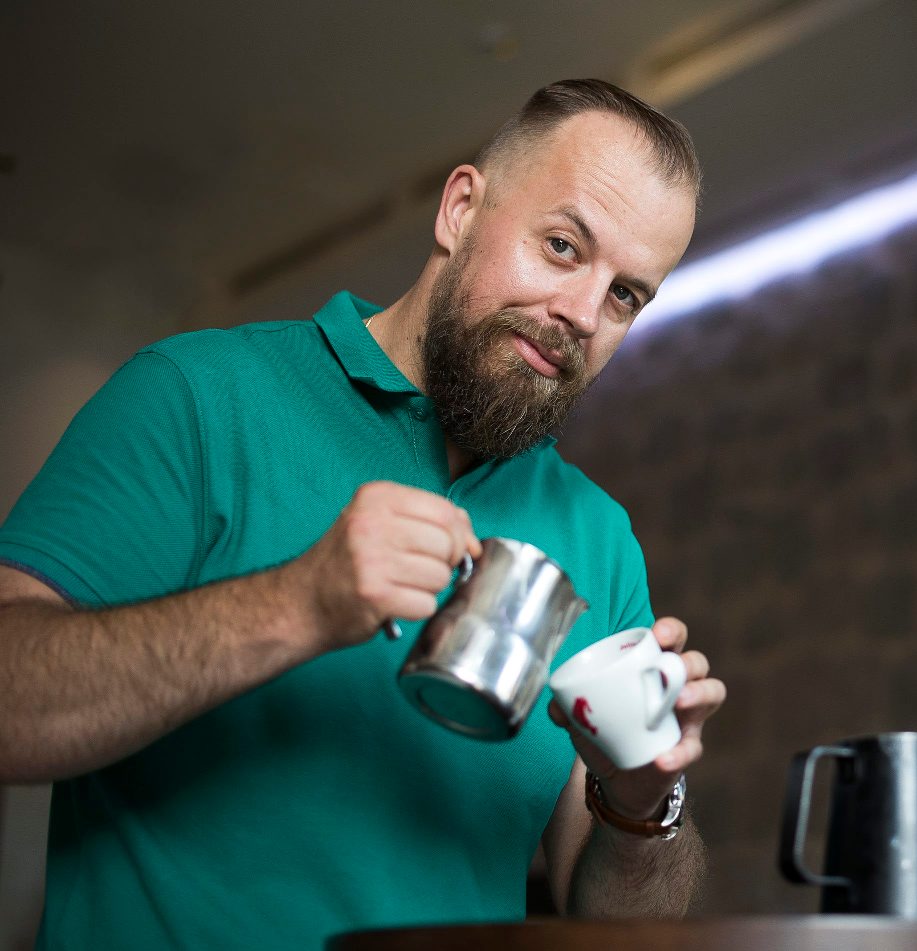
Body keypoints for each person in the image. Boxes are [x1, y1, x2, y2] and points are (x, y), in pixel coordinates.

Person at [0, 79, 726, 949]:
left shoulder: (601, 539)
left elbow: (623, 926)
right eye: (564, 246)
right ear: (460, 209)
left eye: (626, 296)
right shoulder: (198, 395)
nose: (581, 313)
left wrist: (641, 800)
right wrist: (297, 603)